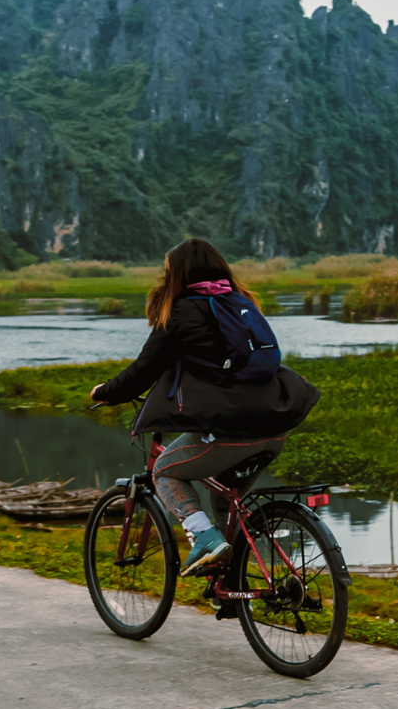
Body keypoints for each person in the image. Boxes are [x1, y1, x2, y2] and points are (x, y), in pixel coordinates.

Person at [89, 238, 298, 576]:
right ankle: (230, 588)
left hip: (232, 431)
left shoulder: (181, 312)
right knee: (225, 499)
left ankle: (203, 537)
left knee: (165, 472)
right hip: (275, 426)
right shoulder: (241, 302)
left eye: (167, 272)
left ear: (178, 275)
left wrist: (105, 391)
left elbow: (143, 371)